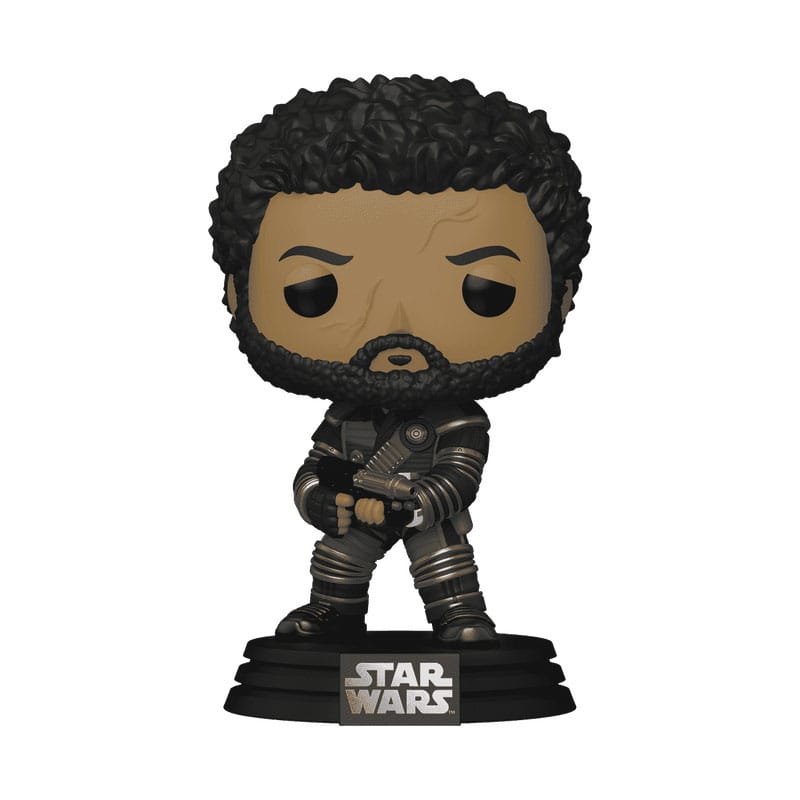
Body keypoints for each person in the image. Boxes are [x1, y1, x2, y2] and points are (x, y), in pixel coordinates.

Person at [209, 75, 590, 644]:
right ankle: (332, 612)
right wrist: (322, 500)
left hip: (419, 507)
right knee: (339, 555)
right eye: (313, 290)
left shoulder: (458, 420)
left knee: (444, 558)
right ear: (238, 293)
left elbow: (461, 474)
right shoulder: (347, 417)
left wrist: (414, 504)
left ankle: (458, 615)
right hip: (360, 503)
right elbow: (318, 463)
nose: (398, 331)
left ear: (560, 294)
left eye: (485, 289)